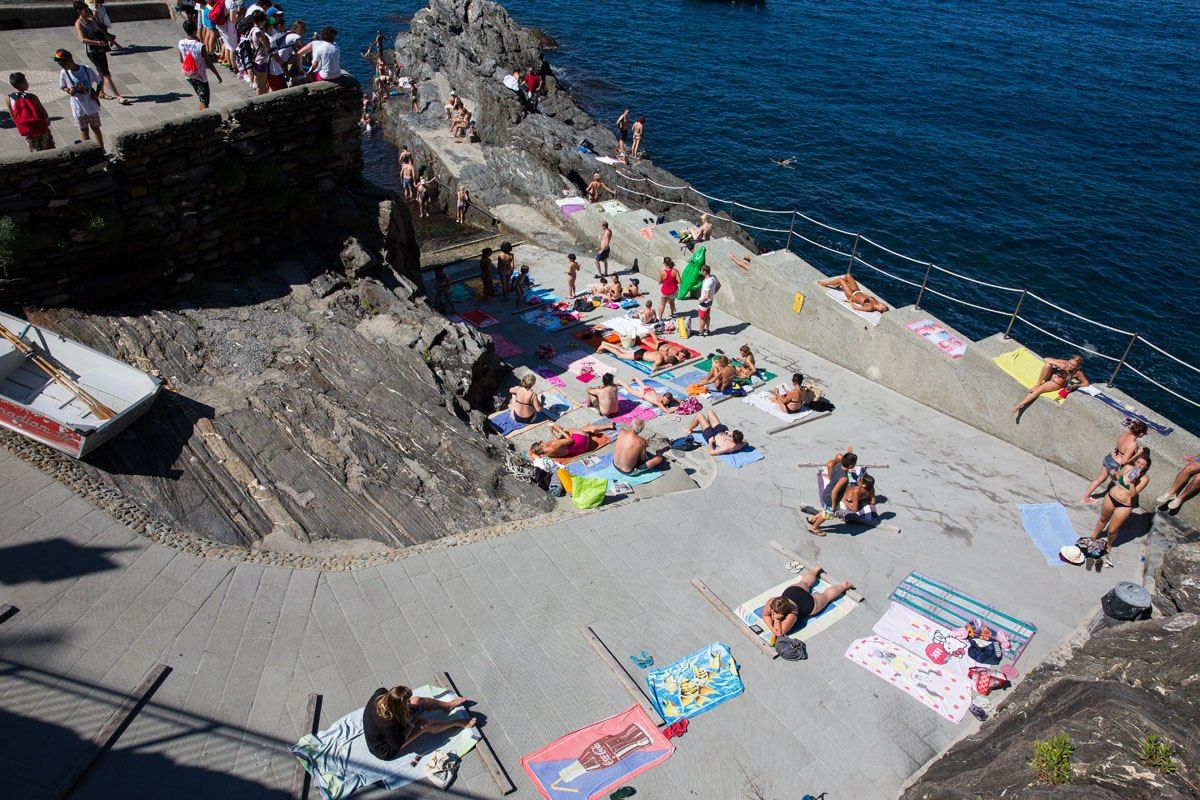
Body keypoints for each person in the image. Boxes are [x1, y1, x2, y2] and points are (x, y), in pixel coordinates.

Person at [363, 685, 474, 762]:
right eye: (406, 703)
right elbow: (397, 744)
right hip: (388, 748)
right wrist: (413, 723)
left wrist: (410, 708)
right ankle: (456, 723)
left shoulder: (381, 693)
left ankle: (448, 705)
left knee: (417, 700)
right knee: (424, 724)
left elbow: (409, 704)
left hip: (393, 720)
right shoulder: (387, 724)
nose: (409, 702)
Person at [762, 566, 855, 638]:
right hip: (793, 592)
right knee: (804, 583)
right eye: (773, 610)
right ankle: (815, 570)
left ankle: (844, 586)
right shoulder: (772, 601)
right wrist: (772, 626)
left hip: (807, 604)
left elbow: (779, 633)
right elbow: (765, 615)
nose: (772, 612)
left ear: (784, 613)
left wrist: (777, 620)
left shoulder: (791, 616)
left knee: (826, 596)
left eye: (774, 612)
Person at [1091, 454, 1150, 551]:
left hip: (1124, 505)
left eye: (1143, 464)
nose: (1139, 465)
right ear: (1135, 462)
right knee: (1103, 519)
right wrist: (1113, 473)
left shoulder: (1144, 479)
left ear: (1146, 467)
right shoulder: (1127, 467)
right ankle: (1094, 536)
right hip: (1111, 497)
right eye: (1138, 462)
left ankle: (1109, 544)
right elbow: (1115, 478)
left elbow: (1133, 494)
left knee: (1112, 530)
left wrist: (1132, 482)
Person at [74, 2, 128, 104]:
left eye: (87, 10)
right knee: (106, 74)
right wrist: (98, 43)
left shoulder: (92, 21)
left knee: (101, 72)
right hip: (92, 52)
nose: (87, 12)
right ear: (79, 12)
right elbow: (82, 40)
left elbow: (104, 33)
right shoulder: (79, 24)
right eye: (85, 11)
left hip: (101, 49)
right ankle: (118, 96)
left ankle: (101, 93)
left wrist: (116, 44)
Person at [1082, 422, 1148, 504]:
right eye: (1144, 434)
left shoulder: (1125, 434)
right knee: (1123, 483)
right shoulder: (1133, 444)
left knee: (1099, 479)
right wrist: (1138, 454)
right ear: (1141, 433)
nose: (1143, 435)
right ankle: (1115, 504)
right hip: (1116, 464)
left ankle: (1085, 497)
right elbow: (1124, 461)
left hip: (1110, 457)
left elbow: (1120, 446)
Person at [54, 49, 104, 150]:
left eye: (62, 63)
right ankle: (89, 151)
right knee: (84, 130)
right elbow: (62, 86)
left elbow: (99, 81)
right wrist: (68, 90)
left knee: (96, 128)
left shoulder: (86, 69)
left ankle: (101, 149)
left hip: (90, 105)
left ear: (70, 61)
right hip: (78, 107)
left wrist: (97, 93)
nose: (61, 65)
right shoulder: (64, 72)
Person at [1009, 353, 1090, 415]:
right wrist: (1058, 364)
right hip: (1049, 376)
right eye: (1070, 363)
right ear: (1069, 361)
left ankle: (1020, 405)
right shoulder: (1064, 363)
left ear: (1077, 367)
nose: (1070, 366)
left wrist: (1076, 385)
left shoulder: (1078, 373)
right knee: (1048, 365)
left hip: (1056, 383)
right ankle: (1038, 383)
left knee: (1039, 390)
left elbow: (1086, 383)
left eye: (1073, 365)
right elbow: (1046, 359)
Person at [807, 449, 857, 536]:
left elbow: (844, 463)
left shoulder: (838, 464)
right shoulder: (844, 478)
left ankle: (813, 519)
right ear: (851, 465)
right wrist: (833, 505)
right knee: (827, 514)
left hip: (827, 492)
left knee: (827, 509)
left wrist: (849, 454)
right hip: (831, 497)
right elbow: (834, 492)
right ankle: (814, 528)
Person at [179, 19, 222, 110]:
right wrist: (217, 75)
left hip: (189, 76)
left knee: (201, 97)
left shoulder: (181, 42)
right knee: (205, 102)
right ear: (195, 30)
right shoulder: (200, 46)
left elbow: (181, 59)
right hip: (201, 77)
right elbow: (208, 63)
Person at [6, 73, 54, 152]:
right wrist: (47, 119)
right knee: (48, 148)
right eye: (25, 82)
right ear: (21, 85)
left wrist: (20, 125)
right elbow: (41, 110)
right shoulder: (32, 97)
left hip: (27, 129)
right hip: (40, 126)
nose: (28, 83)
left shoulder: (8, 98)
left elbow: (12, 114)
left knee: (34, 148)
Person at [530, 421, 613, 459]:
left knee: (581, 430)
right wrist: (559, 430)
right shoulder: (553, 445)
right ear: (540, 446)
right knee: (570, 431)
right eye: (540, 442)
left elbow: (558, 443)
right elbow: (570, 440)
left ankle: (590, 430)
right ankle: (607, 426)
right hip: (583, 442)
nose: (541, 441)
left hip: (579, 449)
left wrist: (551, 431)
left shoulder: (548, 453)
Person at [598, 337, 689, 371]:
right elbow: (654, 368)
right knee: (620, 354)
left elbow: (677, 358)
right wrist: (665, 366)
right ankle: (605, 346)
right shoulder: (659, 359)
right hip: (640, 355)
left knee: (622, 349)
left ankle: (605, 343)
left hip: (642, 351)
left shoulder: (666, 353)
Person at [818, 273, 889, 314]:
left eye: (883, 306)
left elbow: (856, 308)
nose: (883, 304)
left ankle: (825, 284)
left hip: (851, 296)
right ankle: (837, 284)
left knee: (840, 279)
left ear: (880, 309)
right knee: (848, 275)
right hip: (857, 291)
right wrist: (862, 293)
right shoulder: (876, 302)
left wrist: (850, 301)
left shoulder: (870, 308)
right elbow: (867, 296)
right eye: (884, 304)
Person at [243, 10, 271, 94]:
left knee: (259, 83)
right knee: (262, 84)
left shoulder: (251, 29)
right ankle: (260, 102)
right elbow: (267, 46)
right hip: (261, 60)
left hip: (254, 59)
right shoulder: (258, 32)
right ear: (261, 20)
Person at [696, 264, 720, 335]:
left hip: (704, 303)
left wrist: (701, 300)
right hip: (710, 301)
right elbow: (719, 285)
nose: (701, 272)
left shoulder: (707, 282)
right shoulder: (714, 277)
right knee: (707, 315)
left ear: (704, 272)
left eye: (701, 270)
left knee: (702, 317)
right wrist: (713, 293)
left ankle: (701, 332)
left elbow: (706, 296)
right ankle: (707, 329)